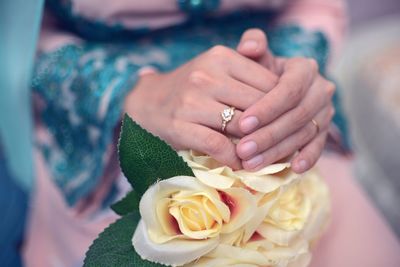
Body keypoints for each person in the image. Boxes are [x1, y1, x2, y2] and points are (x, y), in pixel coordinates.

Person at [21, 0, 400, 266]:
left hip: (279, 139)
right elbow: (19, 35)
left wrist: (289, 81)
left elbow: (312, 5)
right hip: (99, 135)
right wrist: (127, 91)